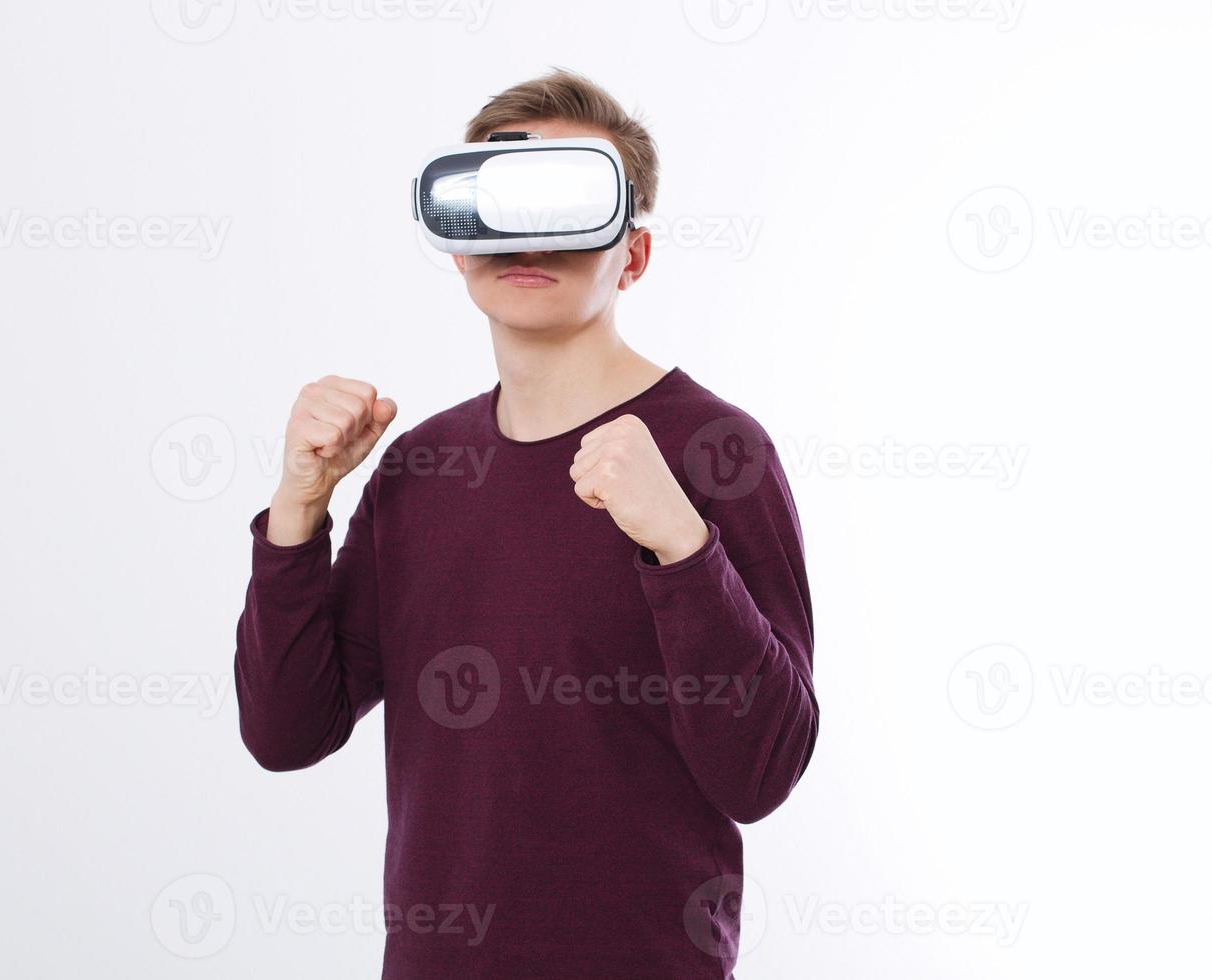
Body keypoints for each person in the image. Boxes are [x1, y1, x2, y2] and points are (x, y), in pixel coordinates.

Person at [234, 67, 818, 979]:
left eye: (570, 202)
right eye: (502, 206)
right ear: (459, 244)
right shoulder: (423, 467)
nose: (529, 238)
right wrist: (298, 511)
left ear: (634, 254)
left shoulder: (716, 451)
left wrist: (681, 545)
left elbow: (763, 775)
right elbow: (286, 732)